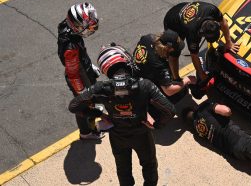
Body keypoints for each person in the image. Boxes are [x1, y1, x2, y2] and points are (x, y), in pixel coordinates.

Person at [69, 43, 176, 186]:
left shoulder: (101, 88)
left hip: (118, 136)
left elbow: (74, 106)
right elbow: (169, 110)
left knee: (123, 170)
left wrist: (99, 113)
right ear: (125, 60)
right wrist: (156, 125)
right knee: (149, 165)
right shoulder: (145, 85)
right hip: (142, 134)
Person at [57, 2, 103, 140]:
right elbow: (73, 75)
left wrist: (89, 65)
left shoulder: (67, 27)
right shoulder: (70, 49)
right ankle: (87, 132)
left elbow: (80, 55)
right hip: (79, 77)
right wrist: (82, 92)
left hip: (82, 67)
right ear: (75, 26)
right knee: (85, 105)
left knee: (87, 103)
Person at [163, 1, 239, 81]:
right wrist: (201, 74)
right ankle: (175, 78)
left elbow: (223, 22)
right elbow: (194, 55)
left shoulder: (212, 10)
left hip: (183, 9)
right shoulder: (193, 32)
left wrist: (229, 43)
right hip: (173, 22)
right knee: (174, 52)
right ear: (201, 33)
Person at [133, 29, 197, 104]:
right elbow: (169, 91)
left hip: (137, 69)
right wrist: (187, 80)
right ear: (168, 48)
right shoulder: (159, 65)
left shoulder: (148, 38)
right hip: (142, 85)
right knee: (180, 92)